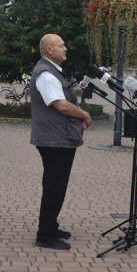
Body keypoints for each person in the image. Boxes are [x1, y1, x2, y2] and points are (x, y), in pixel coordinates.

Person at [30, 33, 91, 250]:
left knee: (57, 184)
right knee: (54, 186)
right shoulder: (46, 74)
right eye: (61, 45)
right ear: (49, 50)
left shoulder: (51, 71)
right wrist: (84, 114)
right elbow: (61, 105)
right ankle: (45, 235)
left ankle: (51, 226)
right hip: (54, 139)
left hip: (57, 137)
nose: (65, 48)